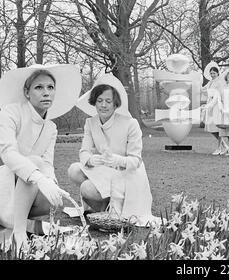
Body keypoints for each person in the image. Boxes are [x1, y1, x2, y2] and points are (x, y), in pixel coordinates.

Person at [0, 64, 81, 248]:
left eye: (50, 87)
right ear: (27, 92)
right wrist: (38, 176)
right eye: (39, 87)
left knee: (50, 199)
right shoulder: (10, 113)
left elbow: (47, 163)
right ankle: (18, 232)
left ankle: (18, 221)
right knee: (34, 163)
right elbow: (8, 153)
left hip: (25, 187)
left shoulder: (51, 128)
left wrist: (50, 181)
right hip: (2, 182)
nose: (46, 93)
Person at [67, 73, 158, 226]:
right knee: (74, 170)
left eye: (108, 101)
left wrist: (115, 159)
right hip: (105, 169)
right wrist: (90, 159)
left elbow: (136, 161)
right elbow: (84, 151)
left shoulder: (131, 123)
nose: (103, 105)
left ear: (115, 104)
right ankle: (103, 208)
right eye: (99, 101)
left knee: (86, 188)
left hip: (126, 173)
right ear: (94, 103)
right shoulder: (90, 122)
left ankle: (116, 208)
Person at [201, 61, 229, 155]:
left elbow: (220, 93)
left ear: (217, 73)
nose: (212, 75)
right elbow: (203, 89)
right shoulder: (210, 82)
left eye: (214, 73)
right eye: (211, 73)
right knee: (211, 128)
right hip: (210, 105)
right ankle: (224, 146)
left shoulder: (220, 82)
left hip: (217, 105)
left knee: (217, 128)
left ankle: (219, 148)